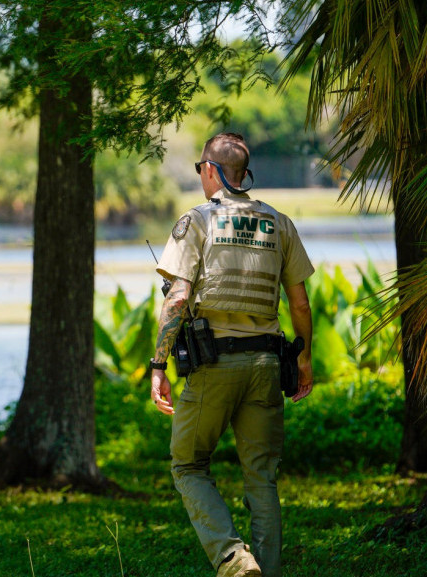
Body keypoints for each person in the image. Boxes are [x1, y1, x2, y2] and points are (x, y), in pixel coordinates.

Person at [149, 133, 314, 577]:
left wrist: (159, 364)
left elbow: (178, 299)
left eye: (201, 168)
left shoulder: (197, 221)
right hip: (266, 366)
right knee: (262, 477)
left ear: (211, 170)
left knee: (187, 464)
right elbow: (299, 304)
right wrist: (304, 358)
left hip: (215, 364)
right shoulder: (279, 223)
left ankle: (234, 560)